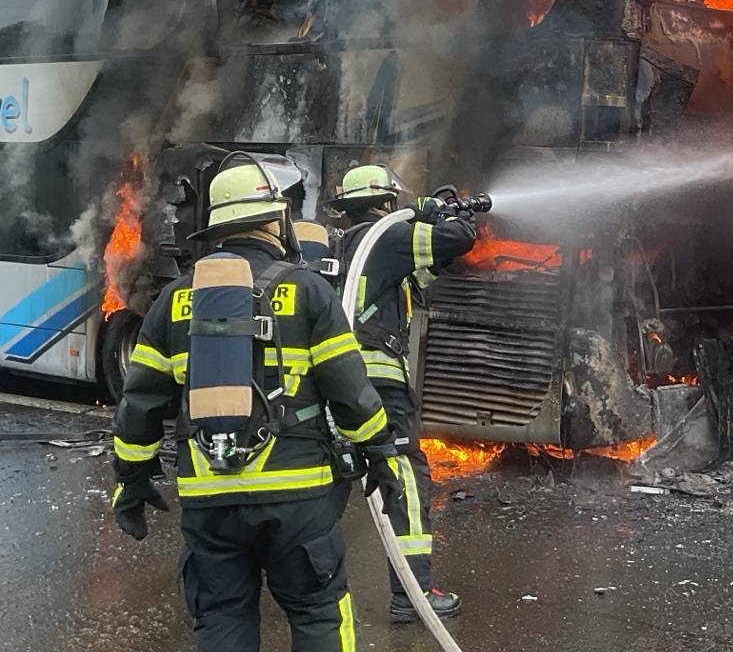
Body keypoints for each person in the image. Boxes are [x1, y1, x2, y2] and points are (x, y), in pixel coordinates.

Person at [111, 152, 405, 652]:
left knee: (222, 620)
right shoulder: (308, 290)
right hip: (298, 499)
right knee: (318, 617)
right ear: (274, 221)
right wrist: (381, 455)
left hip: (210, 502)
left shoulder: (174, 302)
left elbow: (139, 406)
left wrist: (132, 480)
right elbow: (352, 392)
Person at [328, 164, 478, 622]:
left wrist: (432, 216)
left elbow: (424, 271)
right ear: (386, 202)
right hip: (379, 382)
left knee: (328, 480)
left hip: (339, 381)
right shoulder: (387, 237)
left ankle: (309, 586)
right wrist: (436, 214)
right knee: (405, 479)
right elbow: (459, 239)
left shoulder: (351, 246)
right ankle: (412, 595)